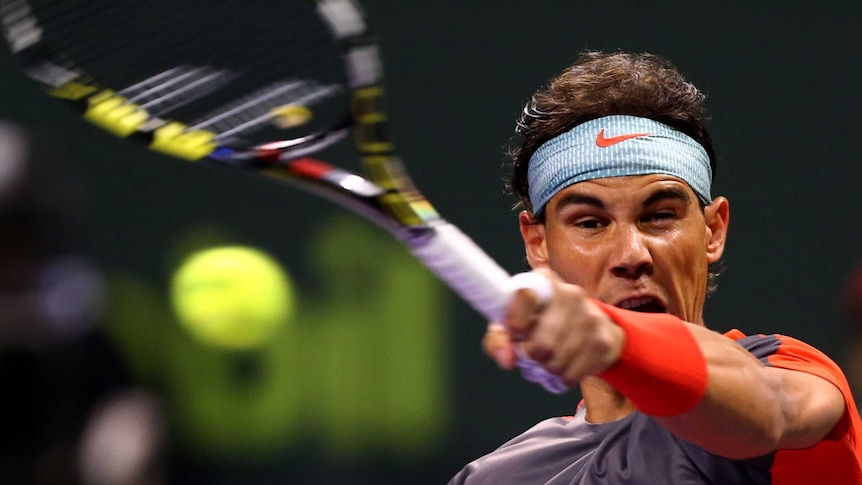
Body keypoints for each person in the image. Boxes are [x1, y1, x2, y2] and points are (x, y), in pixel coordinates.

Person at [449, 51, 862, 484]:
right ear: (538, 245)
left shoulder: (787, 370)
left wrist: (613, 337)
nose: (631, 255)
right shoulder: (495, 478)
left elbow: (770, 412)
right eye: (590, 223)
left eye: (659, 216)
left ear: (712, 230)